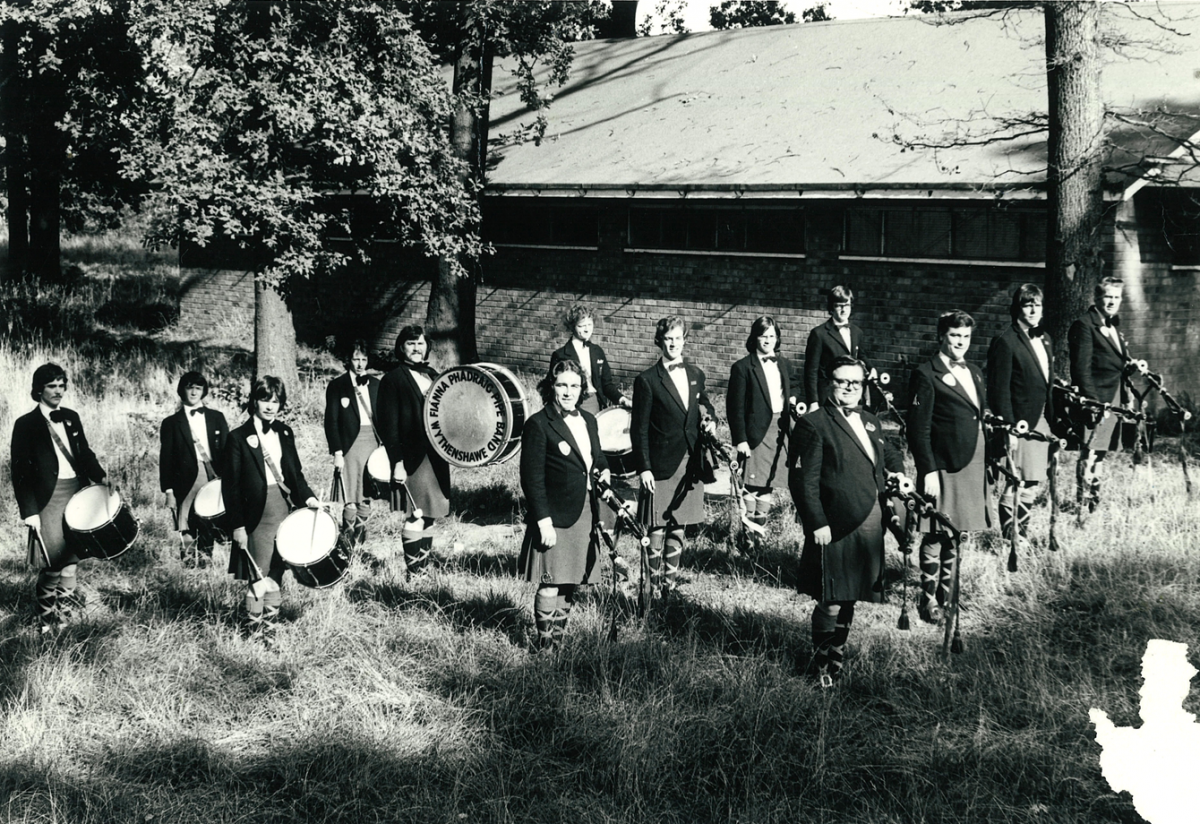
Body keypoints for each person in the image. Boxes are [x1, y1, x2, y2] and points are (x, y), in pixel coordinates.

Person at [790, 356, 903, 684]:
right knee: (831, 599)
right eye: (842, 381)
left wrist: (899, 472)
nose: (850, 388)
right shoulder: (814, 423)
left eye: (856, 382)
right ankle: (820, 665)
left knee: (852, 594)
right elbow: (803, 481)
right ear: (830, 383)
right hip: (834, 524)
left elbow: (886, 452)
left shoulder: (870, 420)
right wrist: (816, 522)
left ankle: (837, 658)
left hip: (869, 520)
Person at [518, 359, 611, 649]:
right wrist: (543, 520)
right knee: (550, 582)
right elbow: (531, 479)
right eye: (562, 385)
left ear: (582, 389)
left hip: (585, 510)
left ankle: (557, 644)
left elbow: (596, 457)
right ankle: (545, 647)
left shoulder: (589, 420)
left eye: (574, 386)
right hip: (554, 516)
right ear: (552, 387)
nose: (568, 392)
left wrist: (604, 469)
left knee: (570, 580)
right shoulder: (538, 424)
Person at [906, 310, 989, 624]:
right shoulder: (926, 373)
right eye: (955, 335)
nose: (961, 342)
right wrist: (927, 470)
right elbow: (918, 429)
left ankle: (948, 596)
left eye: (966, 336)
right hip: (941, 467)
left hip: (971, 463)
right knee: (935, 533)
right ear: (942, 336)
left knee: (957, 532)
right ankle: (928, 600)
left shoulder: (975, 372)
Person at [11, 363, 108, 632]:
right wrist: (30, 512)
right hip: (48, 499)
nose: (58, 391)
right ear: (39, 389)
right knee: (53, 562)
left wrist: (101, 476)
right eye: (51, 386)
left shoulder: (71, 417)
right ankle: (46, 621)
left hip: (76, 493)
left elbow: (84, 454)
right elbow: (20, 472)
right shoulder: (25, 424)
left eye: (61, 385)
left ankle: (64, 616)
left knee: (72, 561)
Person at [224, 376, 319, 642]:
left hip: (283, 511)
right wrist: (238, 526)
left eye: (276, 401)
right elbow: (230, 488)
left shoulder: (285, 432)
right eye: (265, 399)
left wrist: (310, 499)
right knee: (258, 577)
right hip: (255, 516)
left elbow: (296, 476)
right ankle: (254, 633)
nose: (270, 406)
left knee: (276, 574)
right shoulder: (237, 437)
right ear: (254, 401)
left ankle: (270, 630)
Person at [631, 316, 715, 601]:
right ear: (660, 341)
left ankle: (670, 586)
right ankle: (652, 588)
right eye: (668, 338)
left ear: (684, 340)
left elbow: (704, 404)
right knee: (656, 524)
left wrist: (711, 420)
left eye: (678, 338)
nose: (673, 343)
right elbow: (639, 429)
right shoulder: (646, 380)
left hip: (690, 460)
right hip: (660, 464)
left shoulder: (696, 374)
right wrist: (644, 468)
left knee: (680, 522)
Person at [377, 325, 451, 574]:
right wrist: (397, 462)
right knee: (416, 515)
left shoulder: (433, 375)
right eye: (411, 343)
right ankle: (414, 573)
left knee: (430, 514)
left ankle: (423, 568)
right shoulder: (392, 380)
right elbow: (388, 427)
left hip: (437, 456)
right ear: (401, 347)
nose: (417, 348)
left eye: (420, 343)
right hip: (412, 459)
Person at [987, 284, 1054, 547]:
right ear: (1017, 308)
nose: (1034, 310)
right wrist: (1009, 428)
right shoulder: (1006, 341)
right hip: (1019, 423)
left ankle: (1020, 535)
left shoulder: (1045, 338)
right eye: (1028, 304)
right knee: (1018, 481)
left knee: (1032, 480)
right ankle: (1011, 539)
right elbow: (998, 390)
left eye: (1037, 304)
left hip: (1041, 420)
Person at [727, 315, 795, 537]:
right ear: (754, 338)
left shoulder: (784, 364)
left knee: (768, 483)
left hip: (778, 430)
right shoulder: (742, 368)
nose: (768, 340)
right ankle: (747, 537)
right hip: (754, 434)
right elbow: (734, 408)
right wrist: (740, 440)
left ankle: (759, 535)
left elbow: (793, 387)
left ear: (778, 339)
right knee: (751, 482)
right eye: (763, 336)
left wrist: (794, 400)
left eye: (772, 336)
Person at [1069, 276, 1131, 512]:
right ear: (1097, 298)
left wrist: (1131, 366)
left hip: (1113, 396)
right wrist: (1093, 404)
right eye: (1108, 297)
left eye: (1117, 297)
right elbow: (1081, 370)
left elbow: (1114, 362)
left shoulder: (1112, 325)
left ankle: (1094, 502)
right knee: (1090, 451)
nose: (1112, 302)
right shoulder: (1085, 325)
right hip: (1096, 399)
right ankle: (1082, 504)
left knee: (1101, 453)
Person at [160, 370, 230, 568]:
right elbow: (166, 459)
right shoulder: (171, 423)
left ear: (203, 391)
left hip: (213, 474)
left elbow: (227, 450)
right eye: (189, 388)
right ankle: (189, 564)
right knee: (186, 521)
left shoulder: (217, 417)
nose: (193, 393)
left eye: (198, 388)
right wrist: (169, 491)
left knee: (208, 518)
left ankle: (206, 563)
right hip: (184, 478)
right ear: (182, 390)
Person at [323, 340, 381, 548]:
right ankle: (347, 542)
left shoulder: (376, 384)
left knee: (365, 495)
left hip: (372, 442)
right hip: (349, 444)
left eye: (364, 359)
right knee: (349, 495)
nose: (360, 364)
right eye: (356, 359)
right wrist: (337, 452)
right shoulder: (337, 386)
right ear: (349, 360)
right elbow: (331, 421)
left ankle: (360, 540)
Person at [548, 304, 631, 415]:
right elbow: (552, 388)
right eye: (582, 326)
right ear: (572, 327)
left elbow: (607, 384)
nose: (587, 329)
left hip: (596, 404)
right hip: (572, 406)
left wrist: (622, 399)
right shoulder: (560, 355)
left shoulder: (597, 351)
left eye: (589, 324)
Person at [804, 285, 865, 409]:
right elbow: (811, 371)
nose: (843, 310)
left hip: (850, 394)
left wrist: (871, 367)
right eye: (839, 306)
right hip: (828, 396)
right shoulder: (819, 334)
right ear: (831, 308)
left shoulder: (857, 332)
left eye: (847, 305)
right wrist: (813, 401)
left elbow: (861, 356)